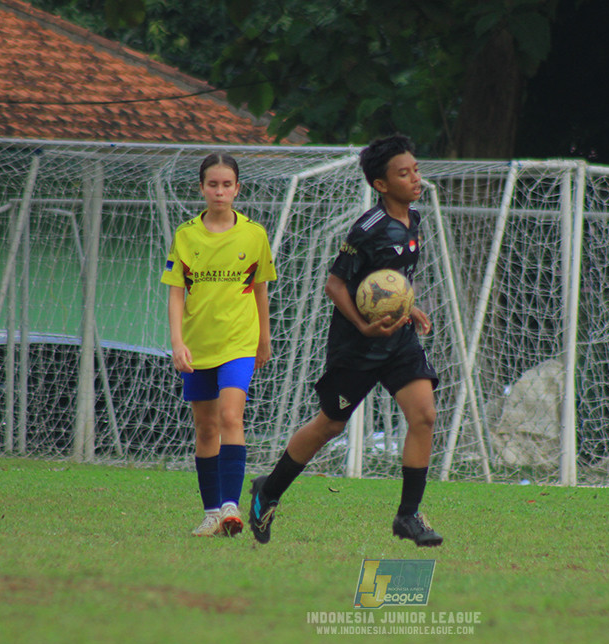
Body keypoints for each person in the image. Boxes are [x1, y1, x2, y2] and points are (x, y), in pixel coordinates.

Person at [249, 134, 443, 547]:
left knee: (424, 414)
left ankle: (408, 516)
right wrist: (363, 324)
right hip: (357, 346)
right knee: (329, 426)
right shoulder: (368, 228)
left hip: (399, 342)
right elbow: (336, 285)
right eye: (404, 173)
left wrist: (411, 308)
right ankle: (268, 491)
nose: (415, 179)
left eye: (416, 170)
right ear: (381, 185)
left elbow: (393, 284)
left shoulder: (416, 221)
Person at [161, 153, 276, 536]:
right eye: (213, 184)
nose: (220, 191)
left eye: (227, 185)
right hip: (198, 345)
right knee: (206, 428)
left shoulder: (254, 235)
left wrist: (264, 338)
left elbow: (260, 290)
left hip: (238, 342)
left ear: (237, 189)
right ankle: (211, 512)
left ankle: (231, 506)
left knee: (231, 418)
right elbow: (176, 294)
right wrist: (177, 343)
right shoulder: (186, 235)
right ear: (202, 188)